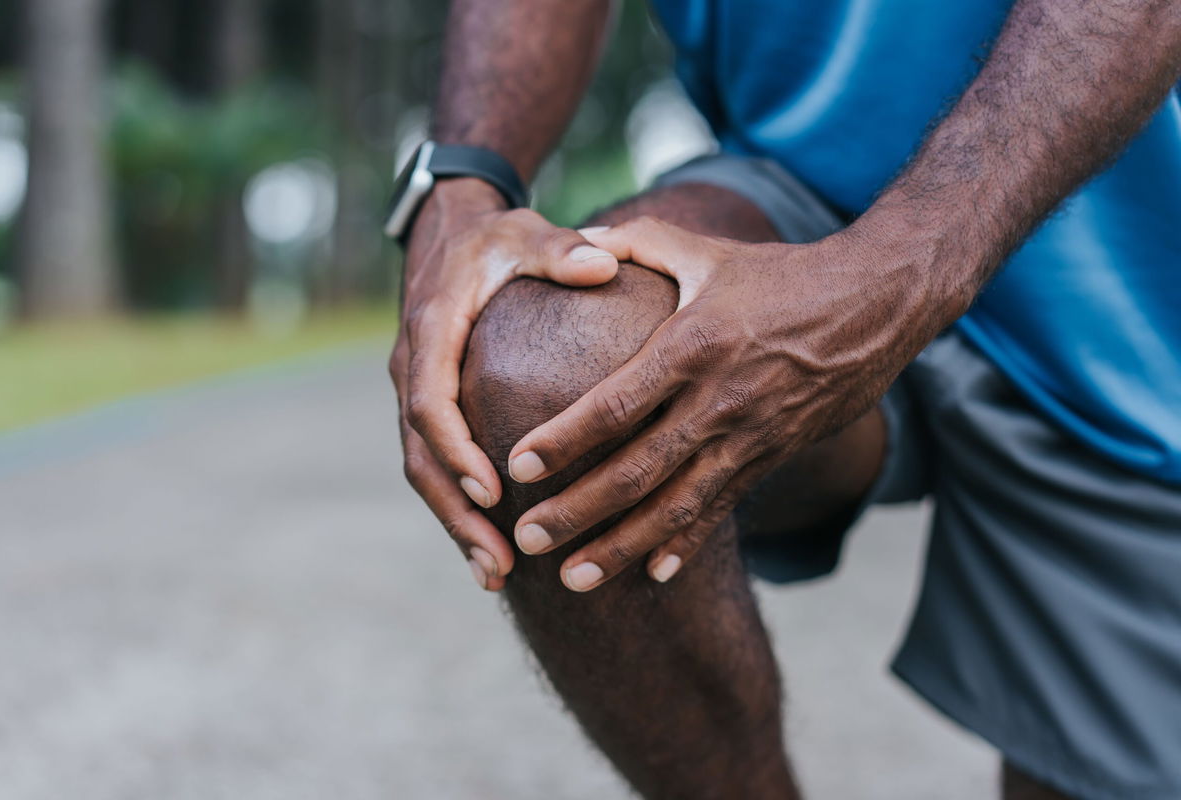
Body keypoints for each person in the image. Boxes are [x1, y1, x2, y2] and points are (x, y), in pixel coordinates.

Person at [386, 1, 1181, 798]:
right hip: (794, 184)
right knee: (554, 368)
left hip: (1135, 280)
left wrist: (903, 269)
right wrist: (460, 185)